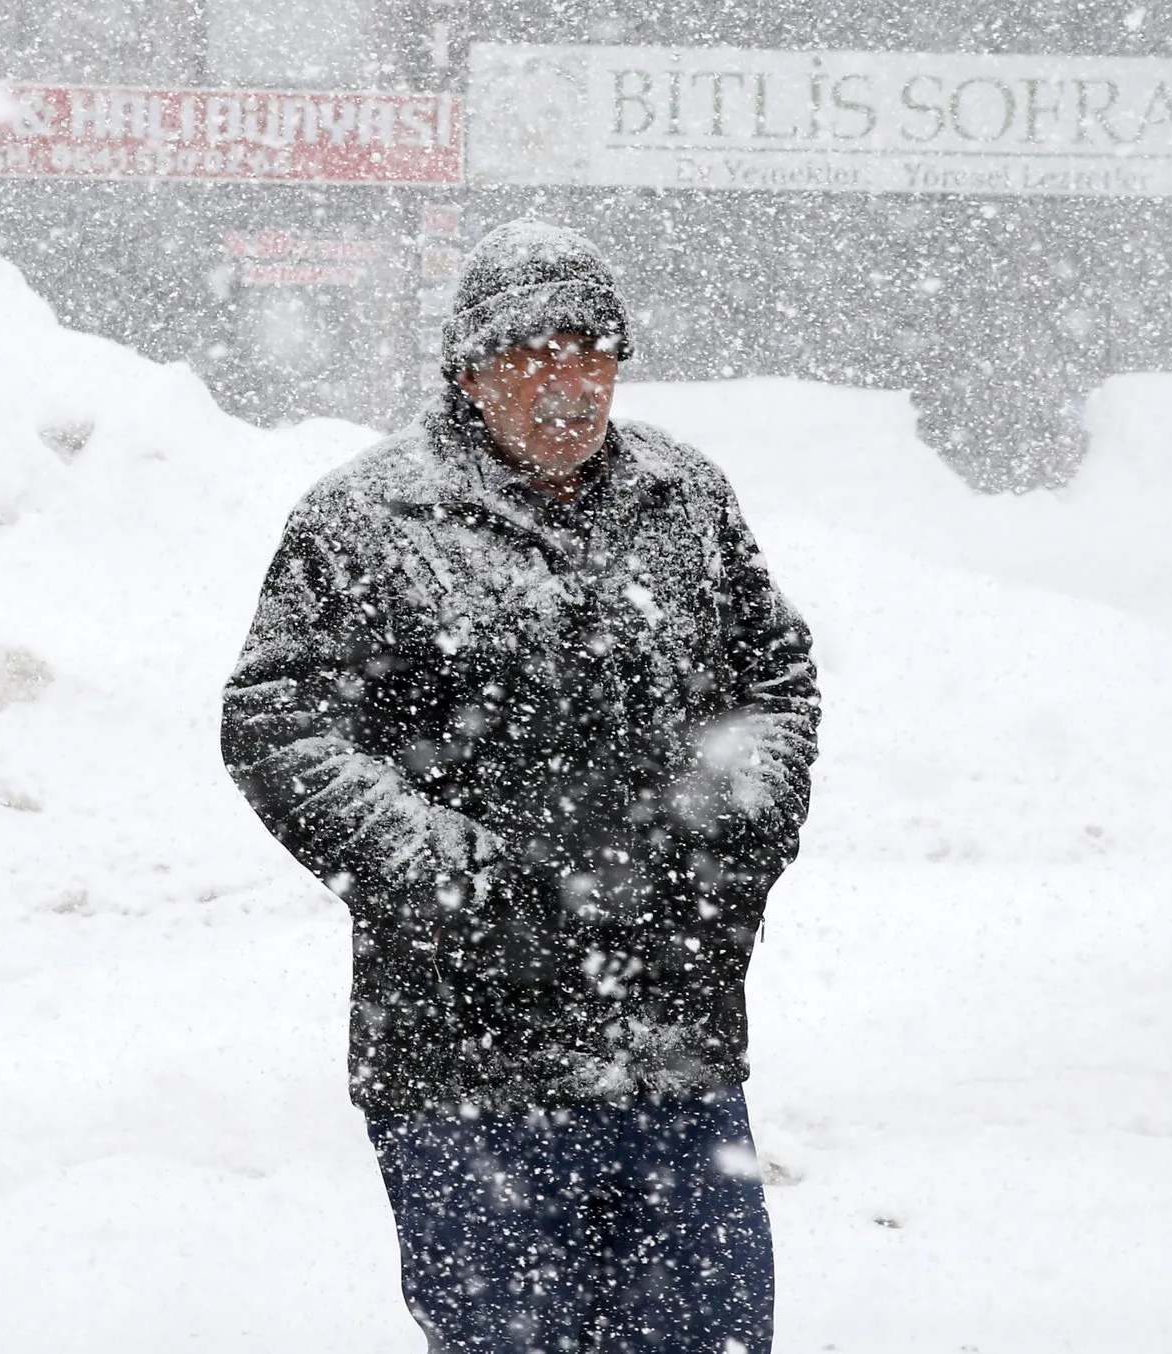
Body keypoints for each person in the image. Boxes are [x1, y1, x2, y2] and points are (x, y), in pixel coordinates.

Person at [221, 219, 819, 1354]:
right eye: (531, 357)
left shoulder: (684, 497)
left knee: (711, 1340)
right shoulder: (365, 519)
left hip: (674, 1040)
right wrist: (453, 876)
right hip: (462, 1066)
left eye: (591, 354)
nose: (567, 385)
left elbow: (773, 677)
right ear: (466, 373)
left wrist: (735, 821)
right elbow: (277, 721)